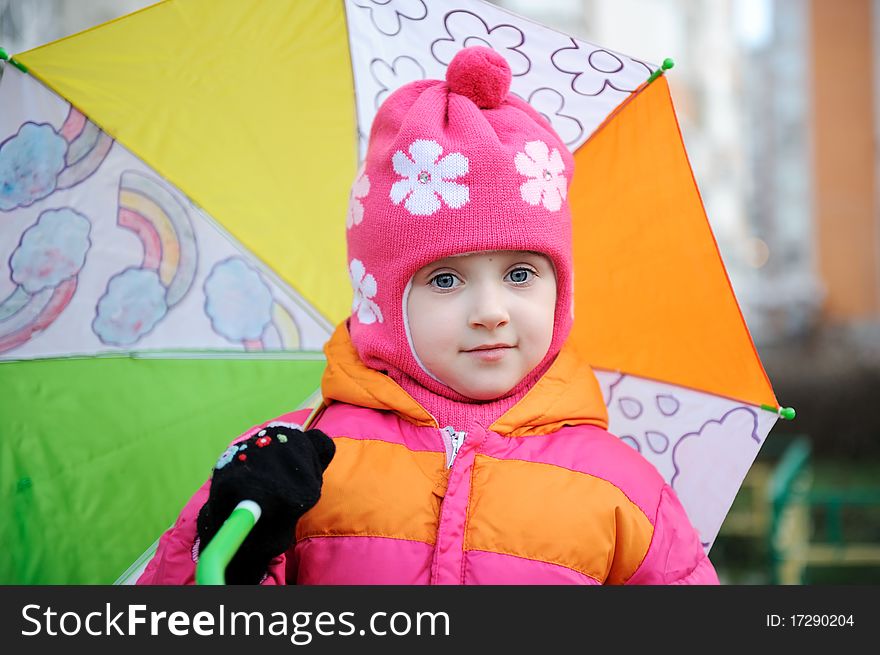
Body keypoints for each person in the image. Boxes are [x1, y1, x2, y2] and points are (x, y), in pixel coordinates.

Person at [138, 46, 719, 585]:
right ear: (384, 302)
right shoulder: (297, 463)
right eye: (444, 279)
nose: (491, 313)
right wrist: (230, 550)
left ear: (559, 291)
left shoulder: (622, 489)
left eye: (521, 274)